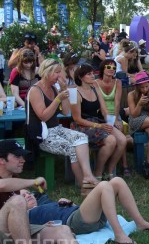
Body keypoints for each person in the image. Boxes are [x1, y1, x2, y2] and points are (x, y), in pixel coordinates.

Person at [22, 176, 149, 244]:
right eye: (23, 196)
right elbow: (33, 231)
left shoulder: (44, 202)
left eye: (29, 193)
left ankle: (140, 223)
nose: (28, 195)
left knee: (117, 181)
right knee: (103, 186)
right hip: (73, 223)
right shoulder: (26, 216)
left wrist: (68, 203)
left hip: (84, 216)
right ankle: (119, 234)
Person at [28, 59, 99, 194]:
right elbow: (43, 116)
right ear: (46, 72)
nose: (60, 76)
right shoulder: (35, 90)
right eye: (57, 72)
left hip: (56, 129)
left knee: (81, 137)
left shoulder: (54, 88)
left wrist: (65, 92)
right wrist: (57, 99)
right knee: (72, 148)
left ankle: (88, 177)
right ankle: (84, 186)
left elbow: (66, 112)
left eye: (60, 72)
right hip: (41, 134)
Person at [0, 139, 83, 244]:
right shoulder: (11, 182)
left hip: (15, 236)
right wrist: (33, 182)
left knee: (63, 230)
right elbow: (2, 185)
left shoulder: (14, 177)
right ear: (2, 160)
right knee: (18, 201)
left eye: (23, 157)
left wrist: (37, 226)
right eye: (17, 156)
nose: (23, 160)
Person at [71, 64, 127, 180]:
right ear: (81, 77)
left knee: (122, 139)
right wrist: (99, 125)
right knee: (111, 140)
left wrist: (111, 122)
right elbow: (77, 118)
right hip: (81, 125)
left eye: (93, 73)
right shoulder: (74, 92)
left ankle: (110, 170)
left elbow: (104, 109)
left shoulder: (95, 88)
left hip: (97, 122)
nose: (93, 76)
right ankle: (98, 172)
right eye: (89, 74)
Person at [94, 59, 133, 176]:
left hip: (115, 113)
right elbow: (101, 104)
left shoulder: (118, 82)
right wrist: (110, 120)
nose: (112, 70)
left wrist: (115, 119)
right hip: (101, 115)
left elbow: (117, 102)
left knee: (121, 131)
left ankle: (119, 165)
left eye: (114, 68)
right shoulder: (96, 83)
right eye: (109, 67)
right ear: (103, 68)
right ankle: (120, 166)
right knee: (119, 134)